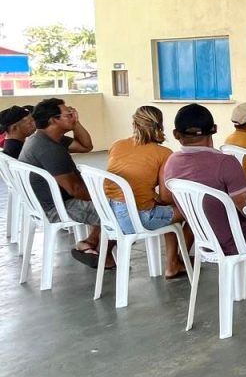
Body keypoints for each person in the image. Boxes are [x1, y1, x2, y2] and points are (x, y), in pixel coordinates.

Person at [161, 104, 246, 292]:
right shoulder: (226, 163)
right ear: (214, 129)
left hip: (203, 238)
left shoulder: (171, 162)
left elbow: (167, 197)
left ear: (175, 134)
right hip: (233, 240)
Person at [19, 98, 105, 267]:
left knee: (112, 202)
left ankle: (89, 243)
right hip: (58, 208)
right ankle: (106, 257)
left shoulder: (46, 139)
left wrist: (76, 123)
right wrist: (103, 198)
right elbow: (75, 189)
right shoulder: (49, 148)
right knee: (120, 211)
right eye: (68, 114)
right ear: (54, 120)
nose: (72, 115)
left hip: (47, 203)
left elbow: (86, 146)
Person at [105, 106, 187, 278]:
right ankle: (173, 263)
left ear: (134, 124)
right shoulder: (164, 153)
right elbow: (166, 197)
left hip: (109, 216)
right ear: (160, 125)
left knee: (166, 210)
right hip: (135, 220)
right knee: (186, 210)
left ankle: (173, 263)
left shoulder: (117, 145)